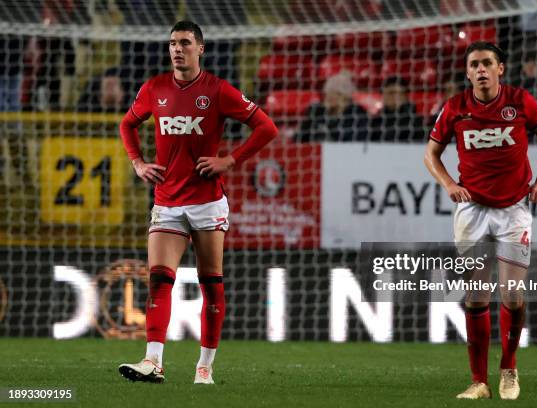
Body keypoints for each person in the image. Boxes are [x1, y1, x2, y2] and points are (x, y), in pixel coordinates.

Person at [118, 21, 278, 384]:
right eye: (173, 43)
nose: (177, 49)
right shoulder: (153, 88)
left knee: (211, 284)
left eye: (185, 43)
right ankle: (152, 361)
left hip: (207, 203)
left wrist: (230, 160)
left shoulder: (218, 91)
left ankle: (204, 366)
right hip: (168, 201)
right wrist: (137, 162)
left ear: (200, 49)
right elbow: (127, 125)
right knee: (159, 280)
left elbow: (267, 127)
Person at [424, 41, 537, 400]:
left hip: (514, 207)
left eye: (487, 63)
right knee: (476, 296)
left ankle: (509, 369)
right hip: (472, 209)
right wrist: (449, 183)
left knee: (512, 295)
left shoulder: (520, 101)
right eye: (474, 64)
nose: (480, 69)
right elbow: (431, 153)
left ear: (500, 68)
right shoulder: (455, 108)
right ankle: (479, 382)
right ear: (467, 72)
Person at [295, 71, 368, 142]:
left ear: (345, 97)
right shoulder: (316, 111)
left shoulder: (356, 113)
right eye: (328, 93)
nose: (329, 97)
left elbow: (358, 141)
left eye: (335, 93)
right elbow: (299, 139)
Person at [369, 76, 423, 142]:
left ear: (405, 96)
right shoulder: (376, 120)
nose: (392, 97)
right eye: (389, 93)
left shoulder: (415, 121)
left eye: (395, 92)